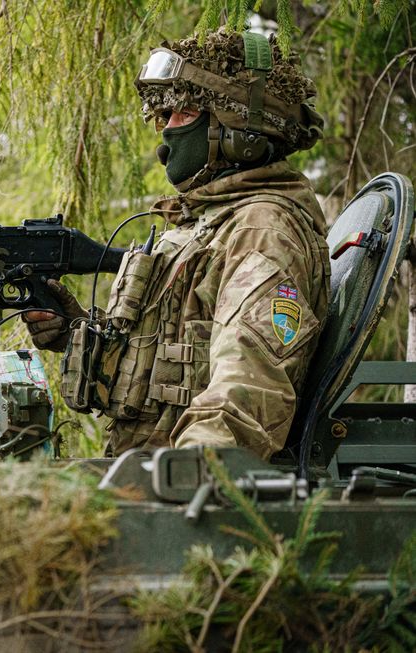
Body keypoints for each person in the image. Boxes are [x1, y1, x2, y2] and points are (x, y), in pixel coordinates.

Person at [25, 29, 330, 460]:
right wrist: (75, 329)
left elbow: (249, 389)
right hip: (142, 470)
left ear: (238, 131)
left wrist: (187, 476)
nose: (166, 135)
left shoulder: (262, 232)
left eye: (184, 114)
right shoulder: (203, 224)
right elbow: (166, 370)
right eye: (163, 116)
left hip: (176, 488)